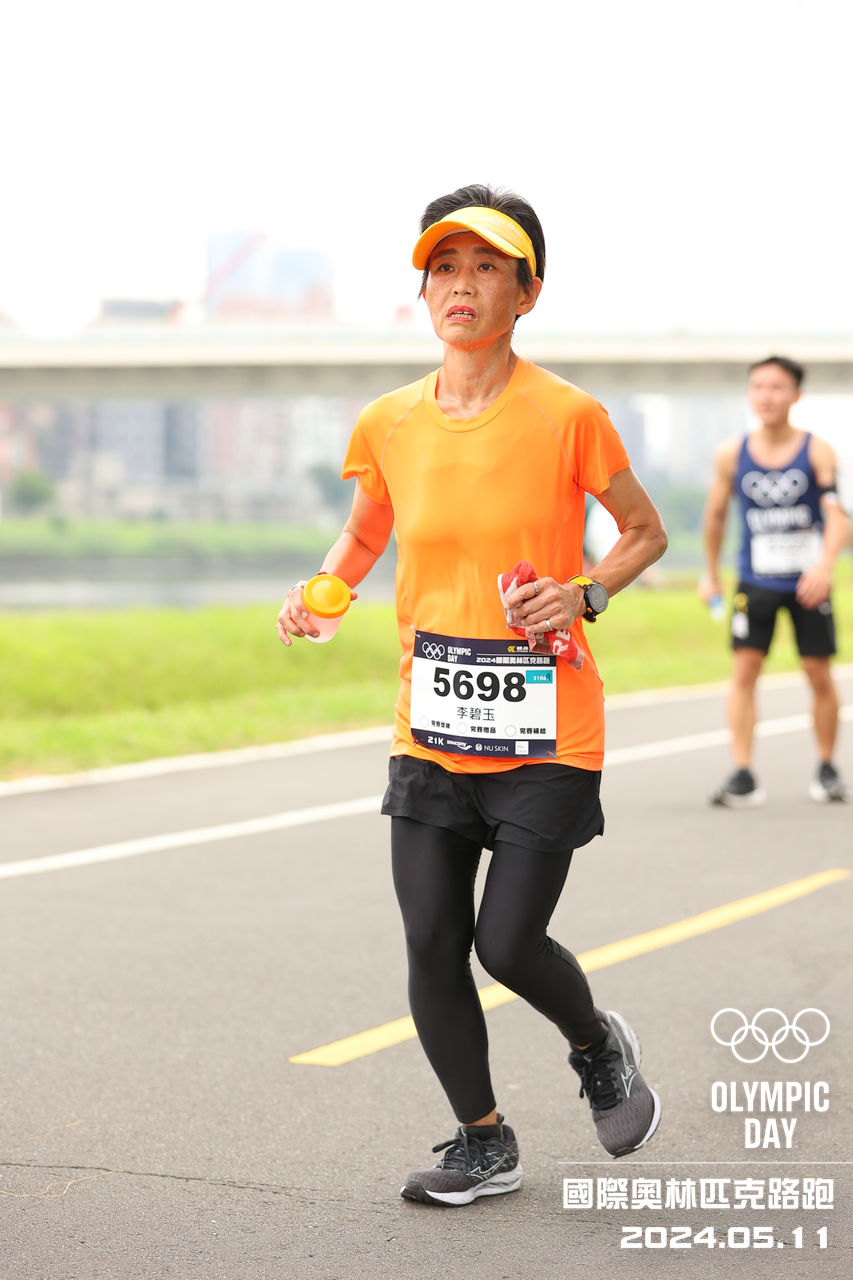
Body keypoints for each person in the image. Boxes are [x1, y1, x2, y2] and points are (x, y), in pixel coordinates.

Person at [277, 184, 667, 1206]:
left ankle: (595, 1043)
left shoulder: (567, 416)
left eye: (487, 267)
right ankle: (482, 1139)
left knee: (506, 943)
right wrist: (322, 593)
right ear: (424, 292)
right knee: (430, 940)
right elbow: (365, 533)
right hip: (433, 722)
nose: (460, 285)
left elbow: (643, 531)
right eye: (444, 268)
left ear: (526, 293)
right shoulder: (390, 422)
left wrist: (583, 592)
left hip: (546, 723)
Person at [700, 355, 850, 807]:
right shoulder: (732, 453)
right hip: (755, 582)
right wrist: (710, 575)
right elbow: (716, 516)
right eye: (758, 386)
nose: (766, 396)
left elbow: (837, 514)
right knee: (744, 671)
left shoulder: (817, 450)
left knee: (818, 673)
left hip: (808, 583)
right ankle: (743, 773)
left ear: (795, 395)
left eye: (777, 387)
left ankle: (827, 768)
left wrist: (825, 566)